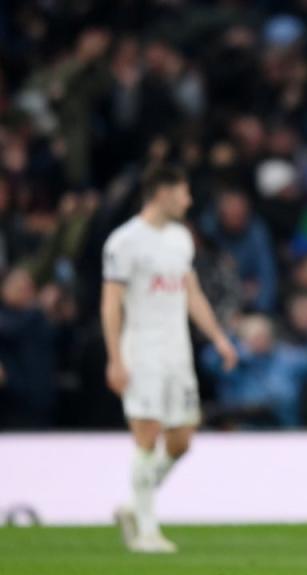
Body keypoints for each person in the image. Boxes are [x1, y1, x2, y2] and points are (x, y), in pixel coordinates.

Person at [101, 164, 237, 553]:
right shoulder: (124, 242)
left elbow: (190, 291)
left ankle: (132, 505)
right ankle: (146, 530)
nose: (188, 200)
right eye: (183, 192)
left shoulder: (181, 237)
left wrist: (218, 338)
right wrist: (115, 358)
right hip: (142, 350)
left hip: (178, 352)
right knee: (147, 436)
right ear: (162, 192)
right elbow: (111, 303)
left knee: (181, 440)